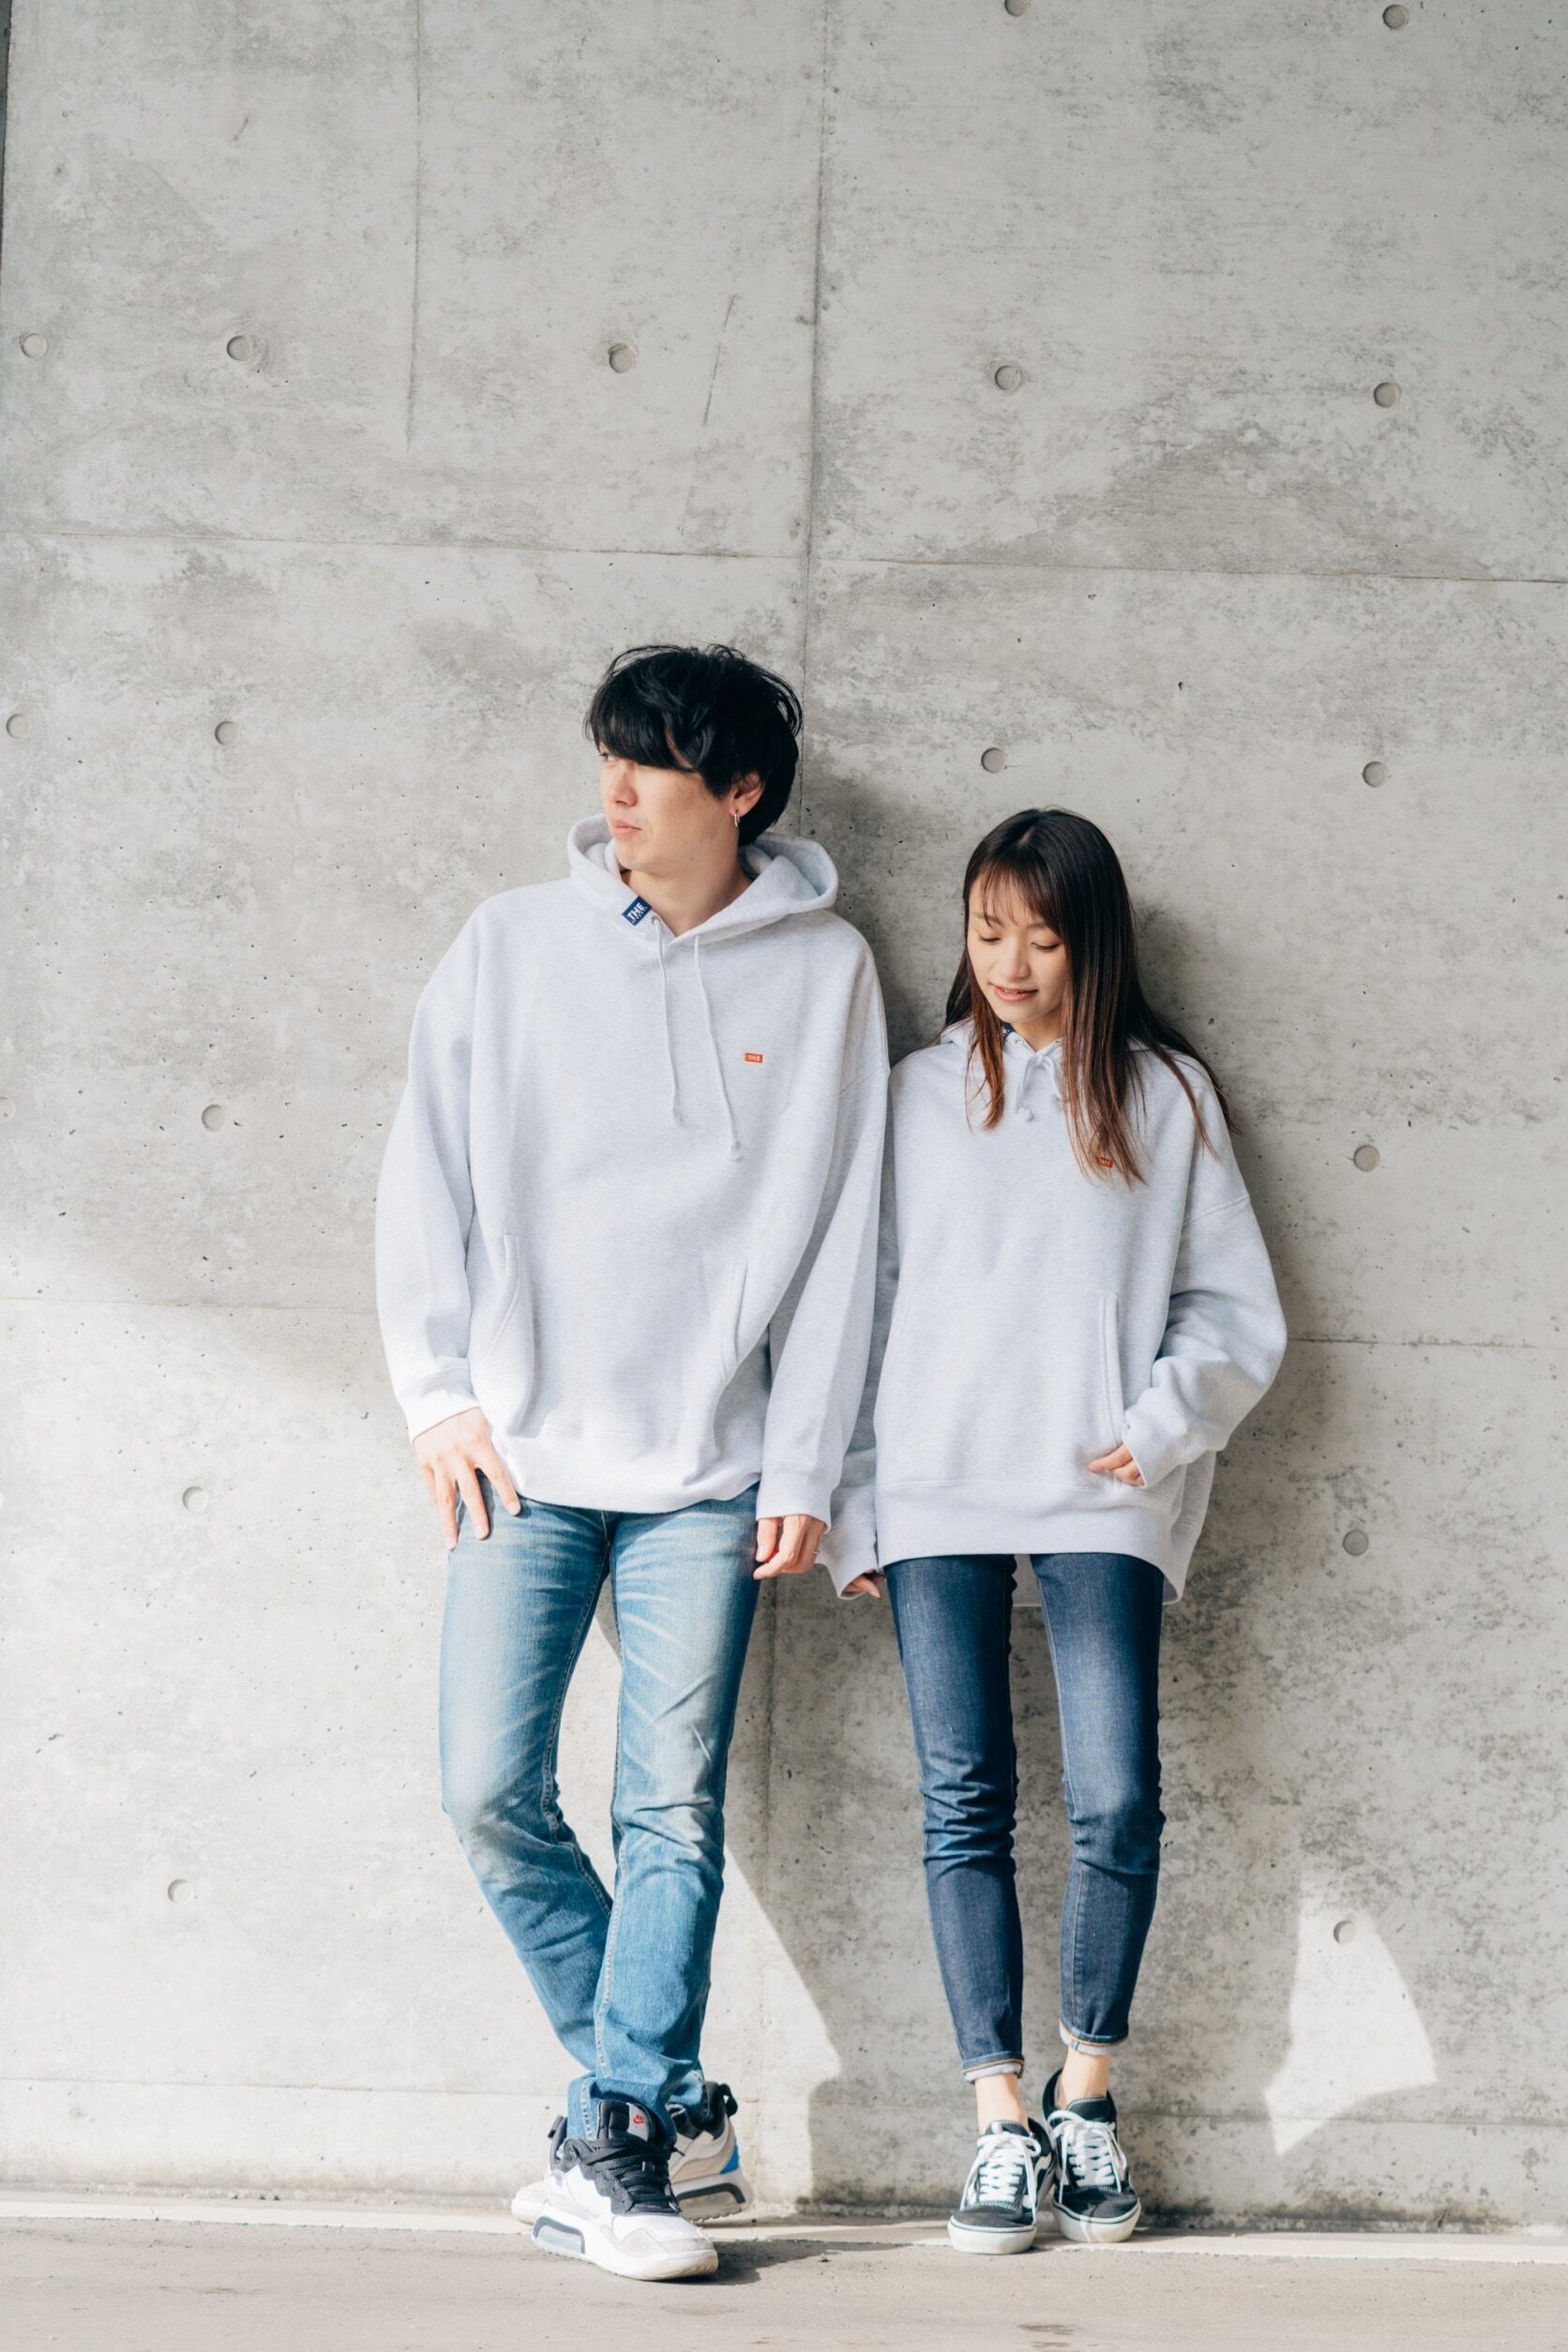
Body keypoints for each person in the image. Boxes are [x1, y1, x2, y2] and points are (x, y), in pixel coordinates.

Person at [373, 643, 888, 2281]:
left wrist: (806, 1461)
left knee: (670, 1808)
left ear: (740, 791)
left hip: (712, 1470)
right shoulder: (510, 943)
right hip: (521, 1454)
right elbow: (424, 1167)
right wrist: (435, 1393)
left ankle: (616, 2149)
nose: (617, 787)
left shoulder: (827, 973)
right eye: (610, 752)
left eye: (654, 761)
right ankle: (665, 2104)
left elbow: (846, 1237)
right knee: (486, 1791)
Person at [830, 807, 1287, 2255]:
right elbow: (858, 1308)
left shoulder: (1166, 1095)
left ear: (1095, 942)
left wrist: (1162, 1424)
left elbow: (1234, 1308)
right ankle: (996, 2120)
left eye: (1040, 934)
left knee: (1117, 1800)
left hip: (1100, 1489)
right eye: (986, 932)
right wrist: (855, 1499)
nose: (1010, 962)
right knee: (962, 1800)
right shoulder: (911, 1095)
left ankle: (1085, 2096)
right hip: (937, 1487)